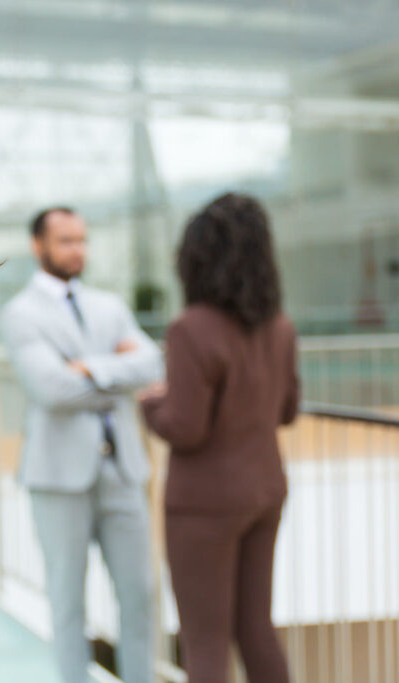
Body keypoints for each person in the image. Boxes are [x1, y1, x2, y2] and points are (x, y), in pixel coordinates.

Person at [139, 193, 298, 683]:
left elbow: (184, 430)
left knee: (205, 640)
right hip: (266, 491)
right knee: (256, 628)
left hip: (205, 504)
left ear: (198, 258)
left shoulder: (191, 329)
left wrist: (151, 404)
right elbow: (288, 411)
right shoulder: (280, 326)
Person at [1, 207, 162, 683]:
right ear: (39, 246)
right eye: (66, 240)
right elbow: (51, 389)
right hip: (57, 477)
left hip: (124, 470)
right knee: (68, 603)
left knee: (141, 596)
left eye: (82, 240)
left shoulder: (109, 306)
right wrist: (116, 369)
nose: (78, 250)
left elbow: (153, 364)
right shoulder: (20, 313)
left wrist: (87, 369)